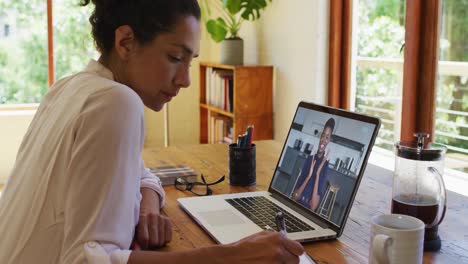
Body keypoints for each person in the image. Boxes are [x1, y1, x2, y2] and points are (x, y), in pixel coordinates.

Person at [0, 1, 304, 263]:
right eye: (174, 58)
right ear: (126, 42)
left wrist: (147, 206)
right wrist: (233, 256)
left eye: (190, 61)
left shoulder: (69, 87)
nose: (185, 80)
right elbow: (85, 260)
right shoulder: (116, 102)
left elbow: (141, 171)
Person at [291, 118, 335, 211]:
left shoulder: (325, 165)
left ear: (329, 141)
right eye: (323, 135)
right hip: (295, 207)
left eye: (327, 137)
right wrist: (308, 177)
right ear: (320, 137)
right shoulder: (310, 159)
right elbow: (294, 197)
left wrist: (318, 174)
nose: (323, 140)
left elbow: (313, 207)